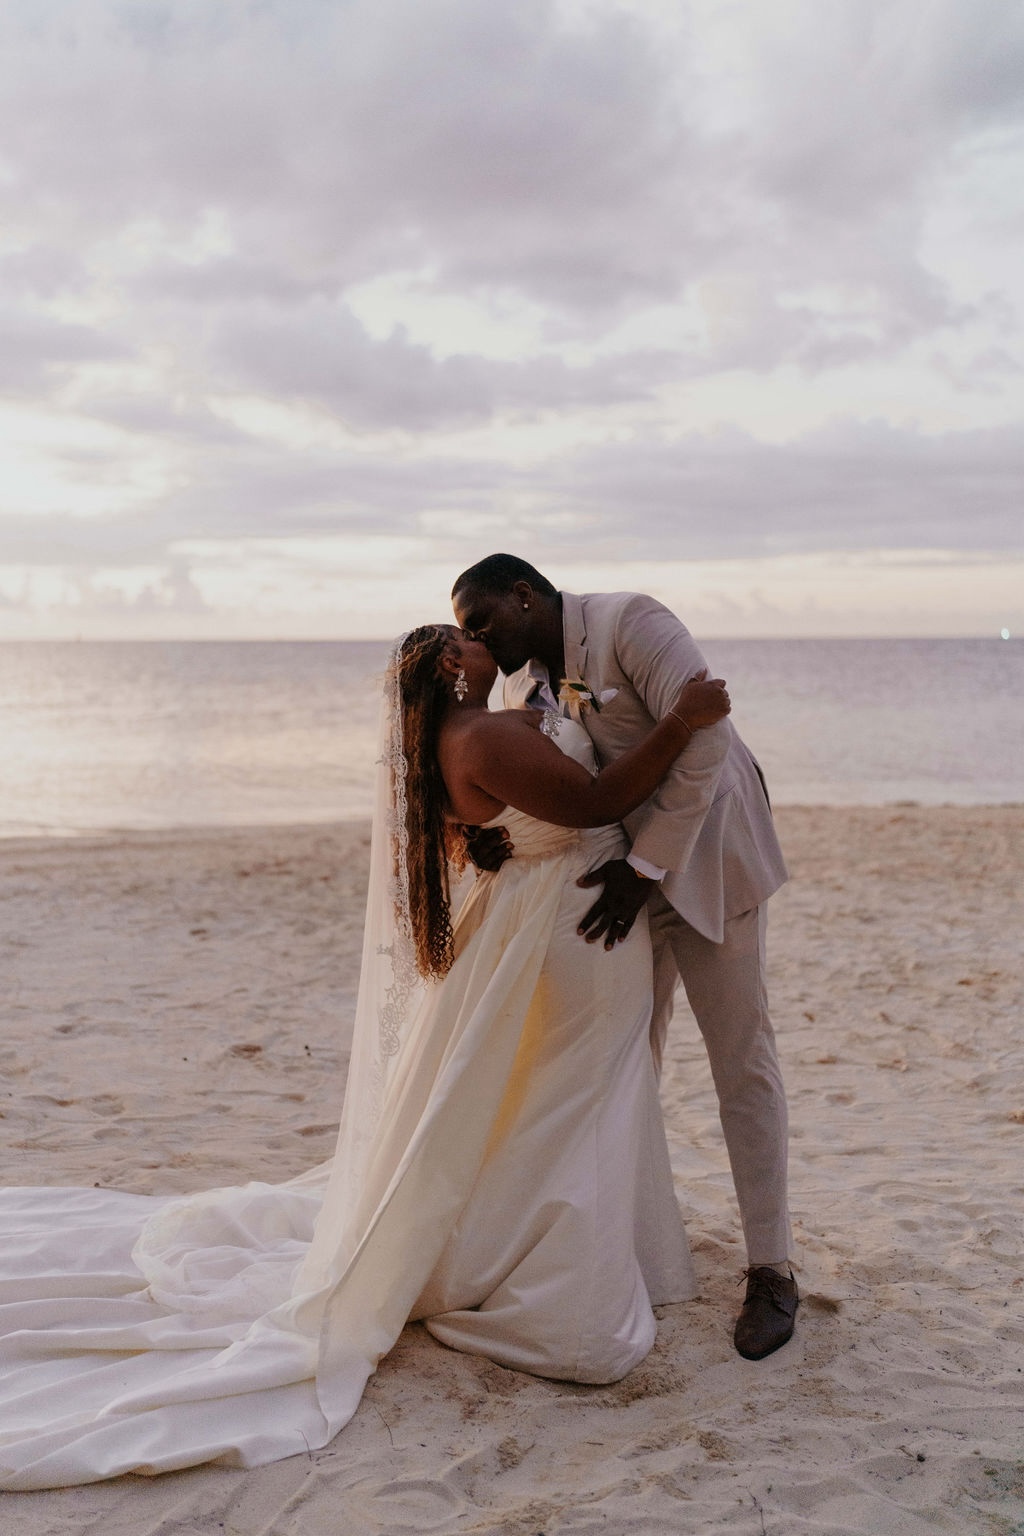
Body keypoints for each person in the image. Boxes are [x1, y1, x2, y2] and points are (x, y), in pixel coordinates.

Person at [0, 625, 728, 1490]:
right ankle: (552, 1271)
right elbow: (601, 799)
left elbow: (475, 832)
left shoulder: (445, 741)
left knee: (557, 1093)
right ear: (451, 667)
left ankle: (549, 1238)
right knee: (583, 1091)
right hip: (569, 924)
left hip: (535, 911)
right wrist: (681, 722)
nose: (481, 636)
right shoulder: (486, 733)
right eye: (466, 635)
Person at [451, 555, 797, 1361]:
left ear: (524, 595)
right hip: (614, 889)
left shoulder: (630, 620)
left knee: (741, 1063)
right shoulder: (519, 690)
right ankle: (621, 1256)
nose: (476, 639)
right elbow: (560, 786)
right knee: (622, 1064)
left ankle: (773, 1269)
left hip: (711, 862)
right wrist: (496, 836)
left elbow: (705, 736)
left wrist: (648, 869)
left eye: (482, 621)